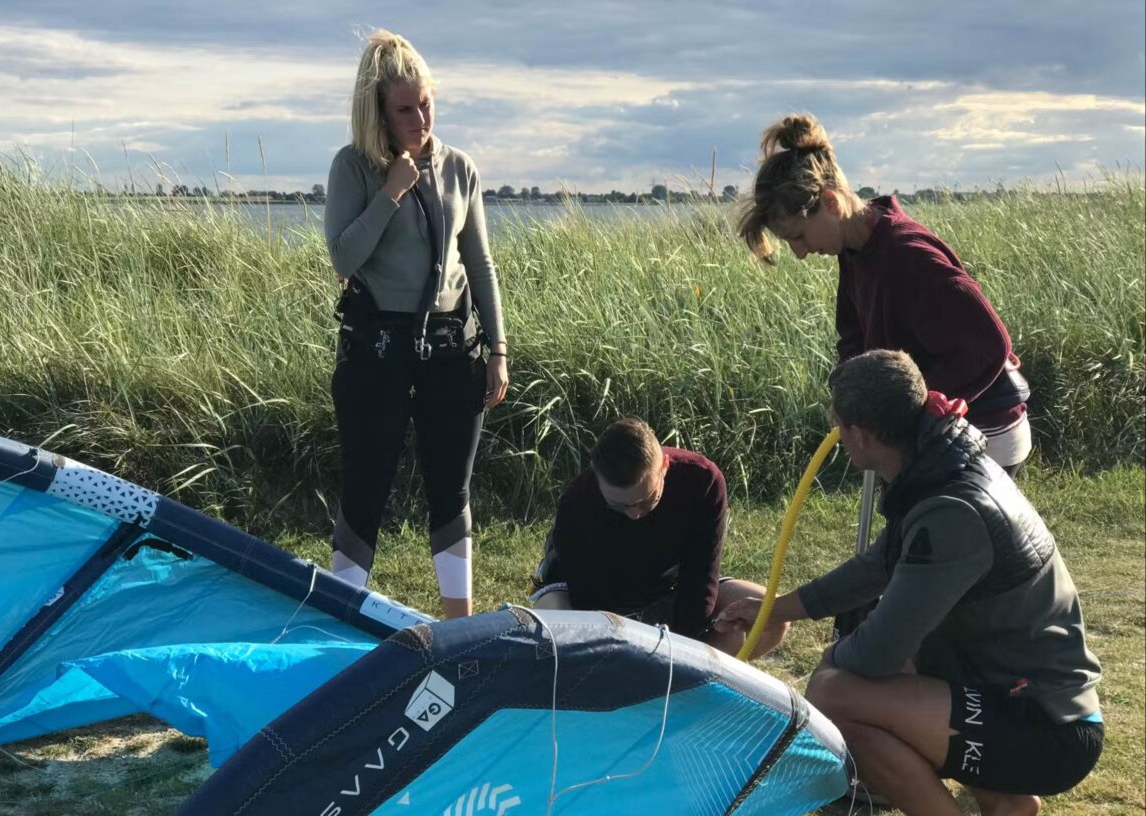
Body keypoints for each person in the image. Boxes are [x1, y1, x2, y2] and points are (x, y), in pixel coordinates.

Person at [715, 350, 1102, 816]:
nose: (837, 437)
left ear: (859, 433)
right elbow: (877, 566)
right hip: (1018, 698)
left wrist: (829, 662)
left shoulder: (952, 512)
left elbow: (879, 652)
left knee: (834, 695)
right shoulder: (939, 466)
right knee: (870, 679)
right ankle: (1006, 801)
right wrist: (778, 609)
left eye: (838, 424)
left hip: (1048, 727)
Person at [323, 30, 509, 618]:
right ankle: (340, 631)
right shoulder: (352, 167)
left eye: (426, 102)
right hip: (377, 349)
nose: (419, 117)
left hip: (453, 349)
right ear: (376, 110)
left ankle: (459, 633)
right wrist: (391, 193)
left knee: (451, 491)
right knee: (365, 489)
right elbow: (343, 259)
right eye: (404, 108)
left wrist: (499, 349)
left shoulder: (460, 168)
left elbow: (478, 262)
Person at [737, 114, 1032, 476]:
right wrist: (851, 396)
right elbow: (855, 340)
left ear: (830, 202)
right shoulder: (857, 251)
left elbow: (989, 344)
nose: (800, 253)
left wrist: (905, 409)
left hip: (984, 426)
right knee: (912, 530)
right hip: (929, 432)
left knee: (941, 532)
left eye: (799, 236)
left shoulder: (907, 254)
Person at [531, 418, 788, 657]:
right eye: (618, 506)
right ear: (597, 479)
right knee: (554, 620)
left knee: (773, 615)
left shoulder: (703, 480)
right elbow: (586, 601)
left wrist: (682, 649)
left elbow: (701, 577)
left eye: (646, 501)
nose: (634, 515)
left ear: (664, 466)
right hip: (594, 597)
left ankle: (691, 688)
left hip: (669, 589)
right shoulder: (577, 503)